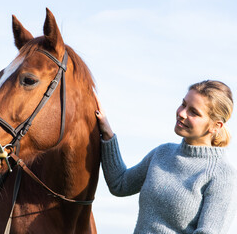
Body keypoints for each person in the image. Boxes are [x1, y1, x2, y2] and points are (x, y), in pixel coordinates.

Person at [95, 80, 237, 233]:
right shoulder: (162, 153)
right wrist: (107, 133)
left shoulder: (222, 174)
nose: (182, 113)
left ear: (216, 126)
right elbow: (120, 184)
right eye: (183, 104)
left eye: (194, 112)